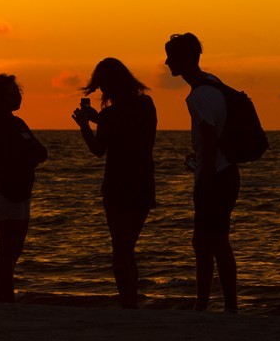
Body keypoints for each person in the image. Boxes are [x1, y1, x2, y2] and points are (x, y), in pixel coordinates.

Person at [71, 58, 157, 309]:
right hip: (143, 182)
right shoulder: (146, 104)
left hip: (118, 185)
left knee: (120, 249)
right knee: (128, 246)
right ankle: (131, 301)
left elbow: (99, 149)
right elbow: (132, 133)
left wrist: (85, 126)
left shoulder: (111, 114)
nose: (102, 92)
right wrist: (101, 121)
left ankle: (127, 302)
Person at [165, 33, 240, 313]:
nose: (167, 62)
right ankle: (210, 303)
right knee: (208, 241)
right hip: (225, 171)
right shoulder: (213, 83)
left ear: (185, 59)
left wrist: (203, 179)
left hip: (216, 176)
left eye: (171, 56)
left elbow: (209, 139)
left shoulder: (199, 95)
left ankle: (214, 304)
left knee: (212, 242)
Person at [0, 74, 48, 302]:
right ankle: (3, 298)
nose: (19, 96)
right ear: (1, 97)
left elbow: (40, 152)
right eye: (13, 93)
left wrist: (28, 154)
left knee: (14, 249)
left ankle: (4, 295)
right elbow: (13, 155)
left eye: (19, 92)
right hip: (4, 191)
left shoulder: (17, 123)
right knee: (7, 249)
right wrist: (28, 154)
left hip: (22, 190)